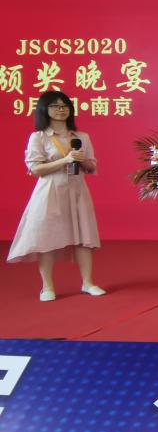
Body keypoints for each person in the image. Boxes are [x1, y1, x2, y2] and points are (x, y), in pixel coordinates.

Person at [7, 90, 104, 301]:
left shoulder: (81, 137)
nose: (61, 109)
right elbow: (35, 169)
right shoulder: (39, 137)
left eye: (65, 106)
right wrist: (65, 160)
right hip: (50, 190)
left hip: (77, 190)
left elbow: (91, 166)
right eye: (55, 106)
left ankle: (88, 283)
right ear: (45, 110)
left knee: (84, 237)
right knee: (47, 237)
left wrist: (82, 161)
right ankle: (47, 287)